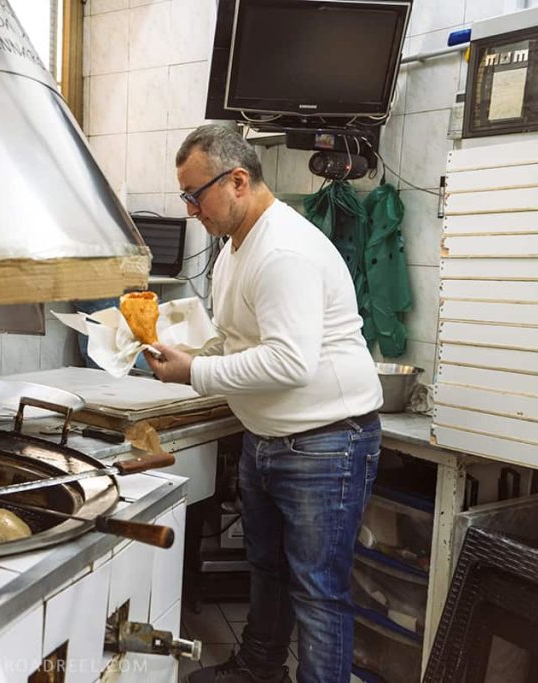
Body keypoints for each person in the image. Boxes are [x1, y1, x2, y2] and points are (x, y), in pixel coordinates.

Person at [145, 124, 383, 683]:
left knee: (319, 592)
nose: (189, 210)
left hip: (327, 442)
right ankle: (260, 669)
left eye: (194, 196)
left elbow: (289, 362)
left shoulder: (283, 250)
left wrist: (196, 372)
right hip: (269, 440)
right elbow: (239, 339)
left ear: (238, 181)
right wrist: (189, 353)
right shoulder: (233, 249)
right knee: (268, 570)